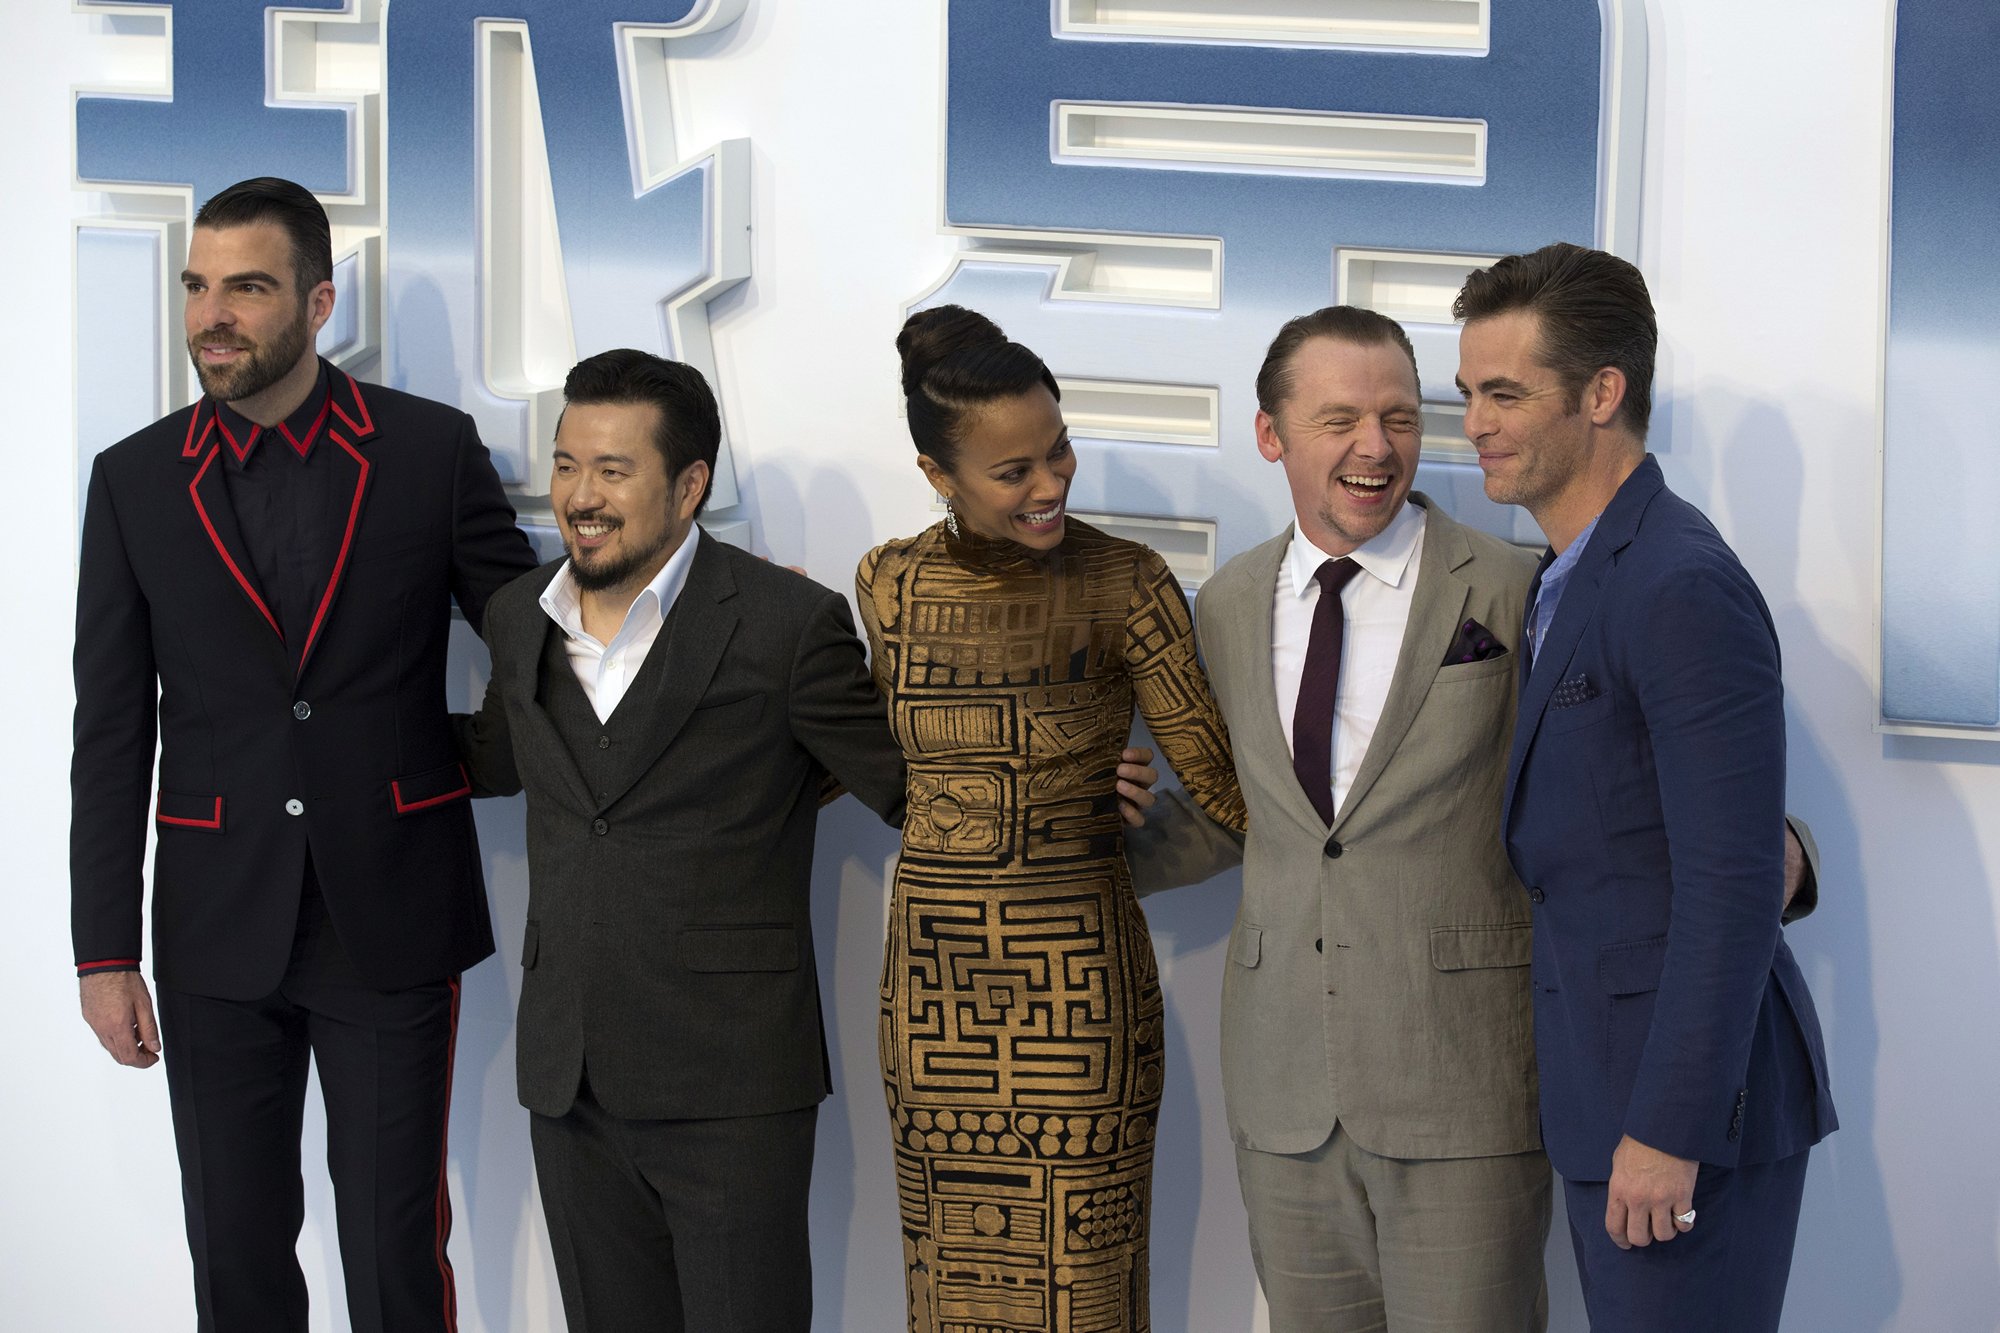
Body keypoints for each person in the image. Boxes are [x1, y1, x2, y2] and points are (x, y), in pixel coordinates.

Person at [1124, 306, 1823, 1332]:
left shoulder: (1520, 588)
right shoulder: (1225, 604)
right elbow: (1250, 812)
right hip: (1282, 1085)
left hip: (1464, 1077)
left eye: (1400, 417)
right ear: (1271, 434)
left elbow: (1618, 785)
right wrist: (1072, 842)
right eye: (1339, 420)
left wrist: (1782, 855)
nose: (1375, 447)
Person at [70, 177, 538, 1332]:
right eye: (197, 286)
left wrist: (695, 599)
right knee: (233, 1254)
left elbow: (535, 640)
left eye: (246, 288)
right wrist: (102, 952)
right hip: (212, 916)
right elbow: (112, 727)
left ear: (318, 303)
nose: (211, 316)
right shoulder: (134, 479)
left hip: (390, 906)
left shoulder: (427, 452)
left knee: (393, 1251)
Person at [1454, 242, 1837, 1331]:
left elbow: (1732, 884)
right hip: (1605, 1092)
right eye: (1468, 394)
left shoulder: (1677, 582)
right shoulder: (1569, 572)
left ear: (1601, 393)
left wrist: (1669, 1127)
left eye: (1504, 394)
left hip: (1680, 1122)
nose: (1474, 424)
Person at [856, 305, 1247, 1333]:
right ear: (936, 473)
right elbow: (892, 766)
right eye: (1013, 470)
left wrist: (1110, 835)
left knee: (1087, 1291)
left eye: (1058, 450)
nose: (1050, 484)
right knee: (948, 1289)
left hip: (1077, 1008)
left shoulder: (1127, 581)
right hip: (931, 995)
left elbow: (1230, 793)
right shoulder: (887, 583)